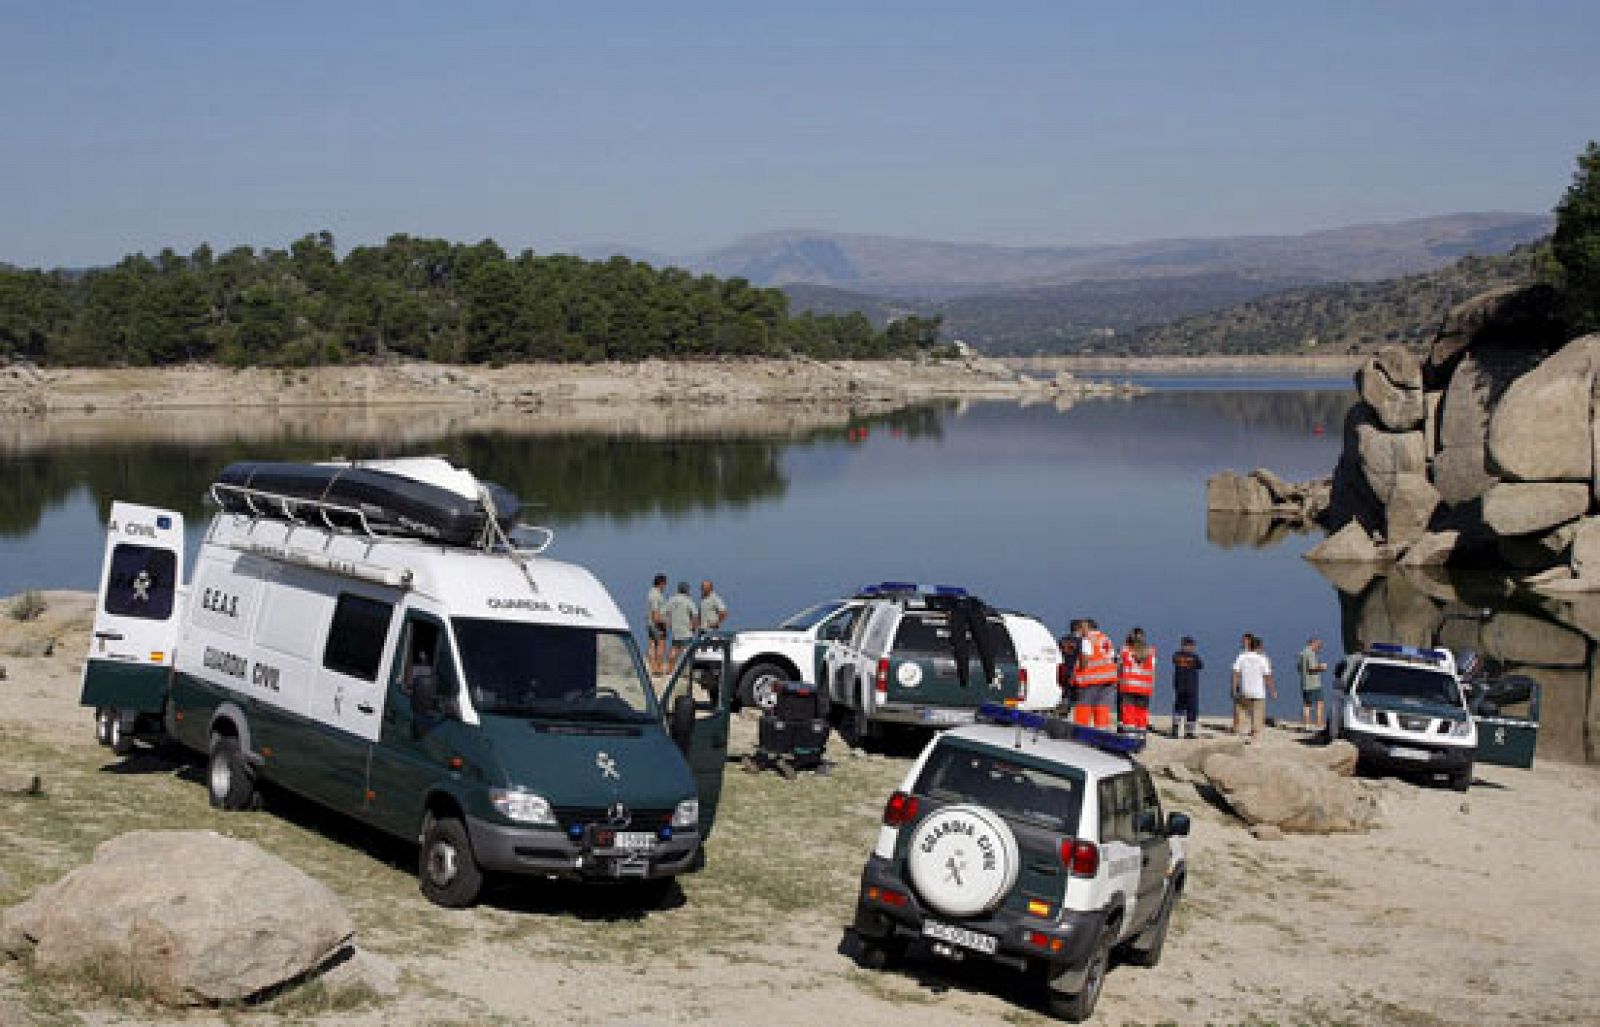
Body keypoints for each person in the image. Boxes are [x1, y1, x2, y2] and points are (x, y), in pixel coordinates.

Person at [1071, 618, 1118, 729]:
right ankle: (1101, 732)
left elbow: (1085, 659)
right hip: (1109, 679)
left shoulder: (1087, 640)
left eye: (1082, 627)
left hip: (1091, 679)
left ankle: (1080, 731)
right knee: (1102, 708)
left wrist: (1078, 671)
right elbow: (1112, 657)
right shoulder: (1105, 638)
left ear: (1087, 627)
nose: (1080, 630)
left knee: (1084, 707)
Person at [1231, 633, 1276, 741]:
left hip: (1245, 690)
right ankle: (1254, 733)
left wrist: (1233, 687)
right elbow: (1268, 676)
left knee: (1241, 710)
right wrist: (1273, 691)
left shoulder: (1241, 656)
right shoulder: (1263, 659)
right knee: (1258, 713)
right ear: (1259, 647)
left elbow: (1236, 673)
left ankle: (1239, 730)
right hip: (1258, 692)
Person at [949, 593, 999, 688]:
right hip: (972, 606)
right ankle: (990, 676)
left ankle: (965, 679)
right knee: (984, 643)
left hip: (960, 607)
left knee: (960, 643)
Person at [1116, 627, 1156, 735]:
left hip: (1129, 686)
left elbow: (1119, 666)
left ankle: (1129, 735)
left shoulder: (1125, 650)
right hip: (1144, 688)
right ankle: (1141, 735)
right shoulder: (1151, 652)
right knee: (1141, 712)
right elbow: (1152, 667)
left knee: (1129, 711)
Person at [1170, 635, 1203, 739]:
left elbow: (1175, 661)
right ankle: (1186, 732)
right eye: (1191, 645)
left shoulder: (1176, 655)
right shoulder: (1194, 657)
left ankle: (1177, 730)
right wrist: (1190, 659)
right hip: (1190, 687)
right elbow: (1200, 665)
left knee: (1179, 709)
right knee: (1189, 710)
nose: (1192, 648)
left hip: (1180, 687)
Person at [663, 581, 699, 671]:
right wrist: (694, 628)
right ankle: (688, 671)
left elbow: (664, 613)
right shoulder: (688, 601)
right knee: (688, 652)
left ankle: (670, 669)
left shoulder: (672, 600)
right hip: (687, 630)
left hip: (676, 630)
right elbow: (695, 615)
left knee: (674, 650)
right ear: (687, 590)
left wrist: (669, 624)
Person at [1298, 636, 1327, 730]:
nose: (1319, 648)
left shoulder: (1301, 653)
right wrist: (1321, 667)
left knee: (1307, 704)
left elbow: (1299, 668)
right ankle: (1319, 724)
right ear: (1313, 644)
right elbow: (1311, 668)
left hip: (1305, 683)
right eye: (1318, 646)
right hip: (1314, 684)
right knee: (1320, 703)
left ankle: (1306, 724)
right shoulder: (1310, 653)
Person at [1056, 619, 1085, 714]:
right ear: (1079, 628)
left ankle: (1062, 712)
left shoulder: (1062, 640)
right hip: (1075, 671)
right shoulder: (1082, 642)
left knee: (1065, 694)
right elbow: (1083, 657)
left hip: (1064, 670)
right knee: (1078, 697)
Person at [646, 573, 668, 675]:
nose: (665, 586)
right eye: (665, 584)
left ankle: (652, 667)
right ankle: (658, 668)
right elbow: (655, 612)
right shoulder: (656, 595)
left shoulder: (650, 593)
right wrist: (663, 622)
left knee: (651, 645)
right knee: (660, 645)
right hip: (657, 624)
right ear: (661, 583)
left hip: (650, 623)